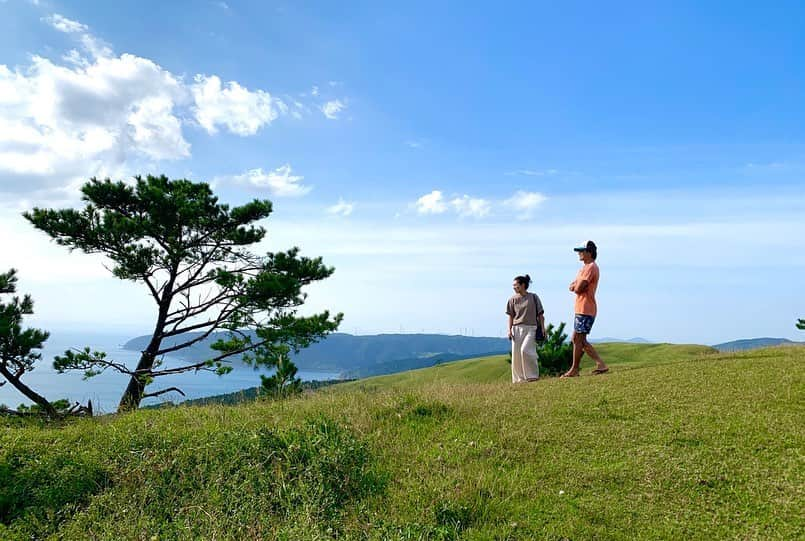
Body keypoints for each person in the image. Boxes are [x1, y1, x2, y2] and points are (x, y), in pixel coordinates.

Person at [562, 241, 609, 378]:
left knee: (578, 339)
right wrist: (575, 285)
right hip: (583, 307)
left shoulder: (590, 268)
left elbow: (578, 287)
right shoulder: (585, 268)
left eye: (581, 251)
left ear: (589, 252)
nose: (579, 253)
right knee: (577, 339)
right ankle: (598, 364)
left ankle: (576, 369)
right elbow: (574, 285)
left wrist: (576, 286)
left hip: (585, 308)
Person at [506, 274, 546, 383]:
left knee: (526, 350)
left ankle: (532, 376)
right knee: (517, 355)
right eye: (513, 286)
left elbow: (540, 315)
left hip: (531, 328)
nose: (514, 287)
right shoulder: (512, 300)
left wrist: (543, 328)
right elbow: (510, 316)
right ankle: (519, 379)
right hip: (516, 328)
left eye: (516, 285)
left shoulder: (533, 297)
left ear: (523, 285)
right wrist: (509, 330)